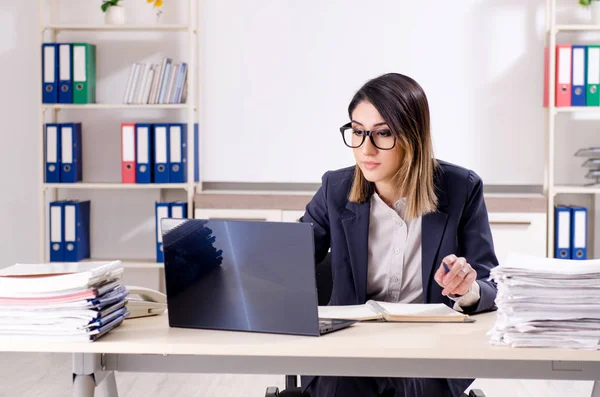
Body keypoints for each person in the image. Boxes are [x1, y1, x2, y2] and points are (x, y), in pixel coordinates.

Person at [299, 72, 499, 397]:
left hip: (431, 351)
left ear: (412, 135)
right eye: (358, 132)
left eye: (384, 133)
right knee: (348, 381)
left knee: (413, 384)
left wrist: (467, 288)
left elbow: (491, 283)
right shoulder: (335, 189)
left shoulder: (461, 188)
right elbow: (288, 260)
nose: (366, 148)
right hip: (350, 351)